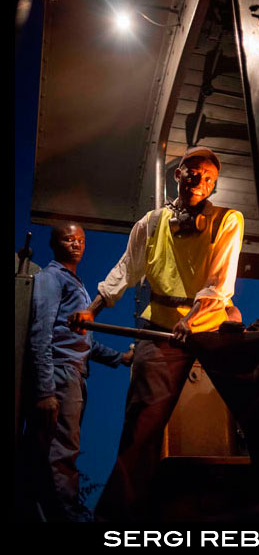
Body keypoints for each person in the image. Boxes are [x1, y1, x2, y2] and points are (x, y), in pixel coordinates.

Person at [69, 146, 259, 522]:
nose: (200, 181)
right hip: (161, 329)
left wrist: (192, 319)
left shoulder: (228, 220)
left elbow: (220, 281)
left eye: (208, 177)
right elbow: (125, 270)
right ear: (178, 174)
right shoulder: (151, 222)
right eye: (193, 172)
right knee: (142, 421)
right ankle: (115, 519)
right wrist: (90, 310)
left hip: (211, 322)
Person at [22, 222, 134, 522]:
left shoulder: (76, 283)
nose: (77, 244)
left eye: (81, 240)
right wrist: (46, 391)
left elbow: (81, 339)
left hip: (73, 374)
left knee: (51, 452)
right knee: (62, 452)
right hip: (60, 374)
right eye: (69, 239)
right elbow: (41, 332)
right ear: (55, 244)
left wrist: (120, 358)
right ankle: (69, 517)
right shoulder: (51, 278)